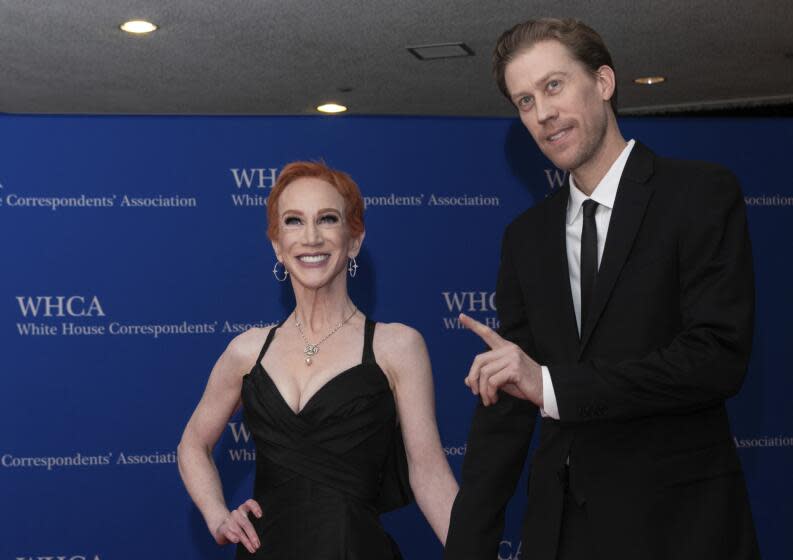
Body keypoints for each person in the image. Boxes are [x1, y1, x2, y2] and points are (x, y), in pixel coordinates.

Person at [445, 18, 759, 560]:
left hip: (681, 530)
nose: (541, 113)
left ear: (604, 83)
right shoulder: (525, 238)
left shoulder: (699, 194)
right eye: (524, 101)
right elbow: (507, 408)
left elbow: (715, 358)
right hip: (561, 533)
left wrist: (553, 388)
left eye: (553, 86)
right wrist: (466, 547)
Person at [177, 161, 458, 558]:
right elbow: (192, 444)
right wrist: (216, 513)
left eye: (327, 219)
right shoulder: (247, 351)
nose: (310, 237)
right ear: (276, 244)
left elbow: (429, 474)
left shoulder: (396, 346)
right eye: (293, 222)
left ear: (354, 239)